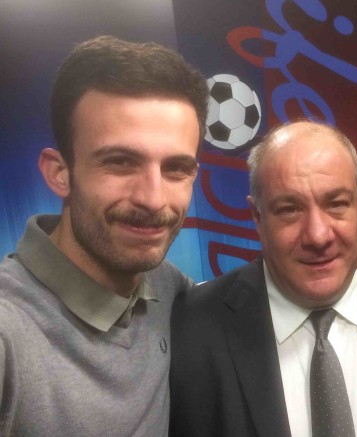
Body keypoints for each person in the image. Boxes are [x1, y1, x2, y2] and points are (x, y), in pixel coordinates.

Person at [169, 120, 357, 437]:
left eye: (336, 204)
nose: (318, 235)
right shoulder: (195, 326)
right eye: (290, 209)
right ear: (257, 216)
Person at [0, 35, 208, 435]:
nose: (153, 199)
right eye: (121, 162)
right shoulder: (9, 332)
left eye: (175, 168)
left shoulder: (165, 286)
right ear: (60, 172)